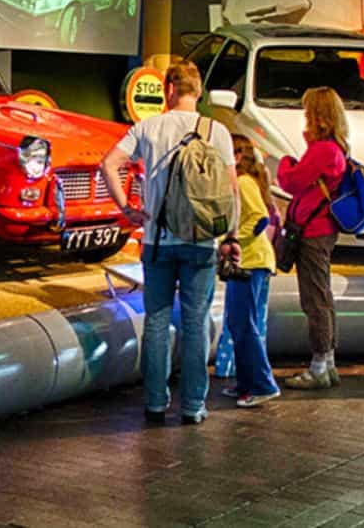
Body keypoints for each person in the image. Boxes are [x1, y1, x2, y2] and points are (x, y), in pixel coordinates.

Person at [101, 61, 239, 425]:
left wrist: (127, 209)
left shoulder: (148, 127)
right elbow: (231, 191)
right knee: (196, 325)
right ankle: (194, 406)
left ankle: (156, 402)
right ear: (198, 92)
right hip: (201, 242)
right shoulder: (218, 132)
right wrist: (231, 236)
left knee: (157, 324)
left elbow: (108, 164)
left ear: (169, 89)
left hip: (157, 242)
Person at [278, 87, 348, 389]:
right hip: (322, 230)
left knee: (314, 299)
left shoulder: (322, 151)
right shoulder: (334, 148)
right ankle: (327, 362)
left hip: (313, 232)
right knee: (323, 296)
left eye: (308, 111)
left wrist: (284, 162)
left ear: (317, 115)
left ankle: (319, 365)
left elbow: (291, 182)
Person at [220, 135, 280, 407]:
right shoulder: (245, 182)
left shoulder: (243, 183)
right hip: (250, 261)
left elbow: (259, 218)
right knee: (239, 322)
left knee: (244, 323)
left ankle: (262, 384)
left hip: (251, 262)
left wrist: (231, 241)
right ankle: (246, 382)